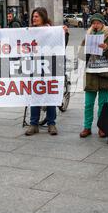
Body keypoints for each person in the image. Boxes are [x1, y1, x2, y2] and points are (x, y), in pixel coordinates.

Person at [25, 7, 68, 136]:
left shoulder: (53, 31)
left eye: (37, 16)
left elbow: (62, 46)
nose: (34, 18)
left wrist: (64, 34)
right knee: (35, 95)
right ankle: (34, 124)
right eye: (33, 16)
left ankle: (51, 123)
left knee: (50, 94)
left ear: (43, 17)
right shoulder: (29, 31)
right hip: (35, 66)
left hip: (50, 66)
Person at [79, 13, 108, 138]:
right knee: (88, 103)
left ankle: (102, 127)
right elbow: (80, 54)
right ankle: (87, 127)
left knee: (103, 103)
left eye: (98, 23)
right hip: (91, 73)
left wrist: (106, 48)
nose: (95, 25)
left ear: (103, 24)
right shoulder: (88, 36)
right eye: (93, 23)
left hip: (105, 73)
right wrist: (85, 49)